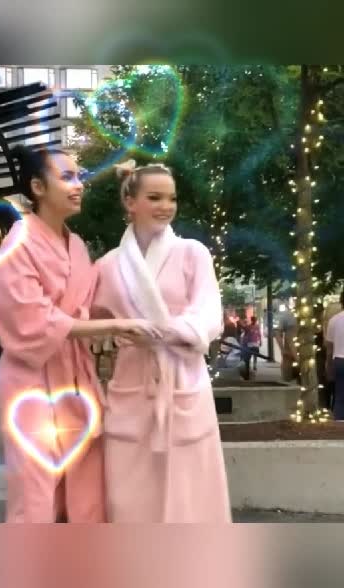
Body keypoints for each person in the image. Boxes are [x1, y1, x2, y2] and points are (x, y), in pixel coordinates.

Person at [0, 146, 160, 522]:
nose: (79, 184)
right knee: (35, 489)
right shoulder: (17, 244)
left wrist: (134, 204)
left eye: (79, 176)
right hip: (30, 380)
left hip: (76, 377)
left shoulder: (78, 246)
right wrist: (112, 326)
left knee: (87, 482)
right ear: (38, 187)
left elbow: (94, 301)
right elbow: (31, 321)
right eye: (66, 177)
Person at [91, 159, 231, 522]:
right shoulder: (108, 265)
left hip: (182, 380)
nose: (165, 206)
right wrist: (117, 332)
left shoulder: (193, 252)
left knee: (190, 492)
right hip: (132, 382)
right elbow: (91, 319)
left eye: (171, 198)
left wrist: (166, 331)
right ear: (130, 202)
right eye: (154, 197)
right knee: (129, 493)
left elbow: (209, 315)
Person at [325, 290, 344, 420]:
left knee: (340, 396)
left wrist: (328, 366)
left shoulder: (334, 320)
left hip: (339, 360)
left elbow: (329, 348)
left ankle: (339, 424)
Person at [275, 305, 298, 381]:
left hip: (290, 353)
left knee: (288, 380)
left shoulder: (287, 315)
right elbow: (278, 334)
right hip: (290, 354)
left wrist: (282, 349)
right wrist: (283, 350)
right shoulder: (288, 315)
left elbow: (278, 333)